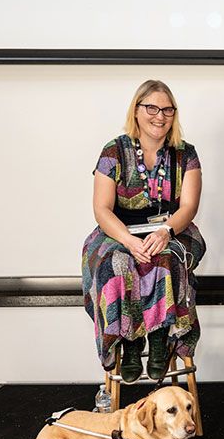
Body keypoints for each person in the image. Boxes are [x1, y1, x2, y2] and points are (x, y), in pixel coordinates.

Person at [82, 80, 205, 383]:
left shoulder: (185, 154)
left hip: (171, 228)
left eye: (167, 109)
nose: (160, 116)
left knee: (166, 260)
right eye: (152, 108)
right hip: (118, 231)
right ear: (136, 111)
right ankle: (131, 342)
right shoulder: (113, 150)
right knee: (118, 263)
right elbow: (101, 209)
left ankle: (161, 336)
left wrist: (165, 231)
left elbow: (188, 206)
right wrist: (127, 240)